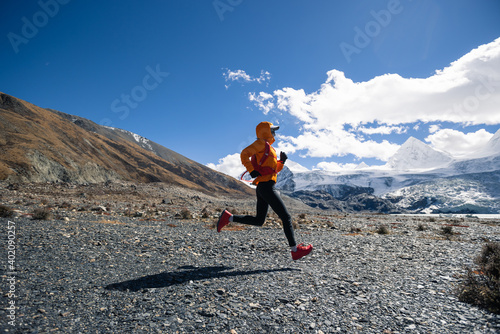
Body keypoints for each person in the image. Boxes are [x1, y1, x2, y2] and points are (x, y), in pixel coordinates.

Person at [217, 121, 313, 260]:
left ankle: (228, 217)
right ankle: (295, 250)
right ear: (265, 131)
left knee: (259, 220)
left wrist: (282, 162)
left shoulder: (269, 149)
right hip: (266, 187)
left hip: (264, 186)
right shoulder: (261, 143)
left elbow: (272, 171)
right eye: (272, 130)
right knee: (286, 217)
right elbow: (244, 154)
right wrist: (251, 170)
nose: (274, 133)